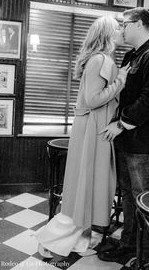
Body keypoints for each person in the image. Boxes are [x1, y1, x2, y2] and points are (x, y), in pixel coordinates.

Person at [34, 16, 130, 258]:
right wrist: (121, 81)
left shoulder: (101, 59)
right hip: (92, 129)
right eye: (117, 28)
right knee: (86, 184)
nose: (121, 31)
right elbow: (93, 100)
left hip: (91, 127)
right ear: (108, 34)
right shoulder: (100, 60)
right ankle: (59, 239)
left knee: (87, 185)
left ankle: (78, 237)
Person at [98, 7, 149, 269]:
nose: (121, 29)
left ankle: (146, 256)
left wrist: (120, 124)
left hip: (144, 143)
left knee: (143, 198)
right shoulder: (134, 55)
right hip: (129, 141)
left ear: (140, 24)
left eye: (124, 25)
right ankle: (129, 245)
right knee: (130, 196)